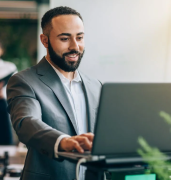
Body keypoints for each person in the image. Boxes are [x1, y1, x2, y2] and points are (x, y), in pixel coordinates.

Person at [7, 6, 102, 180]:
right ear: (44, 40)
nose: (75, 46)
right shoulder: (24, 81)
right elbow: (26, 122)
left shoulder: (96, 86)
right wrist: (63, 142)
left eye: (79, 37)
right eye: (65, 38)